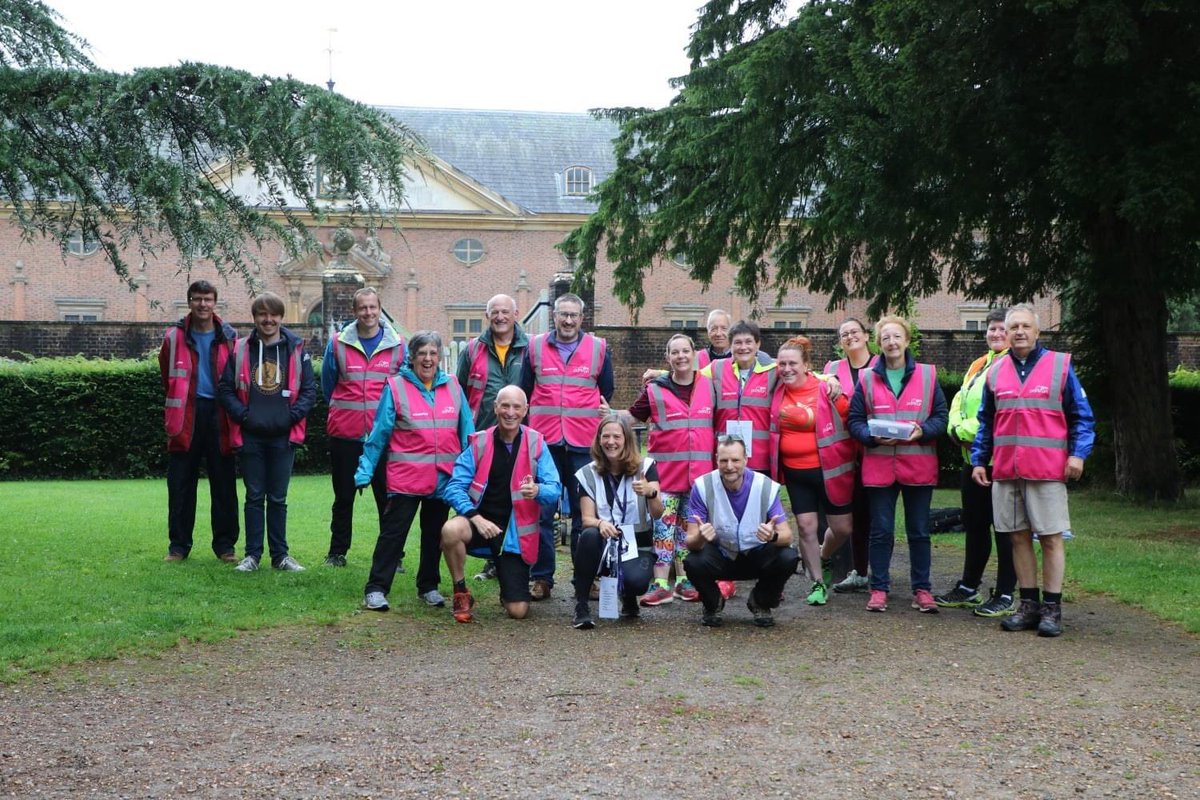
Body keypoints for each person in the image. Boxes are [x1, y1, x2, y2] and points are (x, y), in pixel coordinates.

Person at [971, 304, 1095, 637]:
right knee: (1017, 537)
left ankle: (1052, 609)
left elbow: (1083, 417)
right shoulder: (995, 372)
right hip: (1007, 470)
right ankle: (1028, 605)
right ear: (1006, 332)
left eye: (1026, 326)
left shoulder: (1060, 366)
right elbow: (986, 422)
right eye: (1013, 327)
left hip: (1047, 470)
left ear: (1038, 332)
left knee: (1051, 538)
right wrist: (979, 460)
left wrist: (1078, 455)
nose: (1019, 332)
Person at [357, 331, 474, 611]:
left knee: (434, 535)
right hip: (405, 480)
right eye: (422, 353)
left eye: (433, 353)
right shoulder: (396, 387)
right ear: (411, 357)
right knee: (392, 535)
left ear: (440, 357)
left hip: (443, 479)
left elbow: (468, 432)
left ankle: (429, 586)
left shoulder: (454, 387)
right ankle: (376, 588)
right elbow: (379, 434)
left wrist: (471, 473)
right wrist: (365, 469)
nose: (428, 358)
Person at [847, 315, 948, 613]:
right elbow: (854, 421)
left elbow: (941, 417)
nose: (891, 342)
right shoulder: (867, 378)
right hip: (879, 467)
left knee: (919, 531)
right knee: (880, 531)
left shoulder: (928, 375)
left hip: (918, 466)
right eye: (886, 338)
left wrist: (922, 431)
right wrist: (871, 437)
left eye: (896, 336)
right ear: (878, 343)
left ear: (906, 340)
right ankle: (878, 589)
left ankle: (922, 590)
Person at [519, 292, 614, 601]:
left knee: (584, 513)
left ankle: (584, 579)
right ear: (555, 316)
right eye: (563, 315)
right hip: (544, 444)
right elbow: (524, 391)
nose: (569, 320)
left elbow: (607, 391)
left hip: (583, 444)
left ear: (581, 318)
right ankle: (542, 578)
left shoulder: (598, 349)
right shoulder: (534, 347)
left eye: (574, 315)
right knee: (543, 512)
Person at [439, 386, 561, 623]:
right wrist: (477, 518)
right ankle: (460, 591)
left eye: (517, 407)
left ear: (525, 410)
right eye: (505, 405)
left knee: (518, 611)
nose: (510, 412)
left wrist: (537, 490)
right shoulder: (479, 442)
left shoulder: (536, 443)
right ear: (495, 407)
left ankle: (509, 590)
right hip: (479, 524)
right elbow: (453, 487)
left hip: (514, 537)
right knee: (450, 530)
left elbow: (555, 489)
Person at [217, 291, 316, 572]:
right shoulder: (240, 349)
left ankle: (280, 556)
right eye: (262, 314)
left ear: (281, 317)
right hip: (251, 434)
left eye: (273, 314)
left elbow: (309, 390)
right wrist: (244, 416)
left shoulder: (296, 349)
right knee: (254, 495)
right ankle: (252, 556)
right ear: (255, 318)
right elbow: (225, 388)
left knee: (278, 497)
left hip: (284, 435)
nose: (268, 319)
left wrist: (290, 417)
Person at [934, 308, 1018, 616]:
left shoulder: (1014, 365)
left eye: (1002, 329)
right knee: (975, 526)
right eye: (992, 329)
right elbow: (959, 400)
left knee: (1005, 529)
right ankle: (969, 587)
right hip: (973, 460)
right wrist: (956, 427)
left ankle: (1006, 593)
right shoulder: (979, 363)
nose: (996, 334)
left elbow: (1001, 414)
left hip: (1001, 462)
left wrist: (966, 430)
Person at [625, 333, 714, 606]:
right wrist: (608, 418)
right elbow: (630, 417)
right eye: (674, 353)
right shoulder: (654, 390)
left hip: (699, 477)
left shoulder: (710, 387)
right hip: (664, 476)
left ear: (694, 353)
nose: (681, 356)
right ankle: (662, 583)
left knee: (688, 532)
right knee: (663, 531)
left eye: (685, 351)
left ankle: (685, 581)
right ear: (667, 358)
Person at [320, 287, 406, 567]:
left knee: (387, 497)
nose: (368, 313)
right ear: (354, 312)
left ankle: (393, 554)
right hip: (346, 433)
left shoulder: (398, 345)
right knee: (343, 497)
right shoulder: (337, 343)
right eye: (362, 308)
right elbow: (328, 385)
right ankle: (337, 552)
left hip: (384, 437)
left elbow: (403, 389)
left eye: (373, 307)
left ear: (380, 309)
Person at [769, 336, 855, 606]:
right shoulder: (775, 389)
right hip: (795, 473)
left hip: (830, 471)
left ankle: (825, 556)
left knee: (842, 528)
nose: (786, 368)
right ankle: (817, 582)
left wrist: (831, 380)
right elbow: (728, 363)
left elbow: (849, 421)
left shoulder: (827, 390)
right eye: (781, 363)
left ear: (806, 365)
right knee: (806, 527)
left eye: (792, 363)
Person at [160, 279, 240, 563]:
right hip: (186, 417)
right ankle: (178, 547)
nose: (202, 304)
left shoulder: (230, 337)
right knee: (180, 485)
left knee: (224, 485)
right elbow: (167, 377)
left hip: (220, 417)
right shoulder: (173, 337)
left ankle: (225, 546)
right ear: (189, 302)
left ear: (214, 302)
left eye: (207, 299)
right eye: (197, 299)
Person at [684, 436, 798, 628]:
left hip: (757, 555)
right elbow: (690, 541)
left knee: (788, 556)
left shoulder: (765, 486)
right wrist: (701, 537)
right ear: (716, 459)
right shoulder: (702, 486)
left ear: (746, 459)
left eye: (735, 460)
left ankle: (761, 601)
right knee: (693, 561)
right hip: (722, 554)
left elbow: (787, 536)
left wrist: (773, 536)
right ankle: (713, 603)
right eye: (724, 460)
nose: (729, 466)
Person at [455, 293, 530, 581]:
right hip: (483, 439)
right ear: (487, 316)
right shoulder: (473, 350)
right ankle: (491, 559)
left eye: (505, 312)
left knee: (516, 499)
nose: (500, 317)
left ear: (515, 314)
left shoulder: (529, 349)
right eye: (494, 312)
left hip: (520, 439)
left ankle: (515, 558)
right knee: (489, 496)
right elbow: (460, 393)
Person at [702, 319, 777, 600]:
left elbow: (805, 375)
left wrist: (829, 379)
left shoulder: (773, 371)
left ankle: (767, 578)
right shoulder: (717, 369)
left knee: (762, 519)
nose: (743, 347)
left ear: (758, 345)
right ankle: (724, 577)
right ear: (730, 347)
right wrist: (657, 372)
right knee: (723, 516)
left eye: (748, 342)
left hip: (759, 458)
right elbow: (686, 372)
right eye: (737, 343)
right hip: (727, 459)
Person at [571, 416, 663, 629]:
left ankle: (629, 595)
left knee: (637, 582)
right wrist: (600, 524)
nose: (611, 442)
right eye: (606, 436)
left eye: (616, 436)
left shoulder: (646, 467)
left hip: (636, 543)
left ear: (627, 440)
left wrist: (651, 493)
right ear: (599, 440)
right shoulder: (588, 473)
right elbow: (586, 519)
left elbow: (657, 514)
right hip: (605, 541)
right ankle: (581, 606)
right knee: (588, 536)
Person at [825, 317, 876, 593]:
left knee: (877, 514)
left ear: (866, 336)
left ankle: (879, 572)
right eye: (844, 334)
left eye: (854, 332)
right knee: (853, 513)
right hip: (844, 452)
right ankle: (858, 570)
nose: (849, 337)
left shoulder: (880, 365)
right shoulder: (832, 368)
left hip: (876, 450)